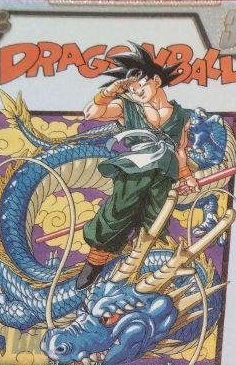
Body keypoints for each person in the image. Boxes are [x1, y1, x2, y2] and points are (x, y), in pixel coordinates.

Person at [75, 44, 197, 290]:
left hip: (164, 175)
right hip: (135, 170)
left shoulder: (181, 115)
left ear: (156, 81)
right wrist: (110, 91)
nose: (136, 91)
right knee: (118, 213)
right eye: (131, 88)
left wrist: (186, 176)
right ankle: (94, 264)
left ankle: (138, 270)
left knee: (155, 220)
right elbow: (91, 113)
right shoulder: (126, 107)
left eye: (140, 84)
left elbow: (180, 149)